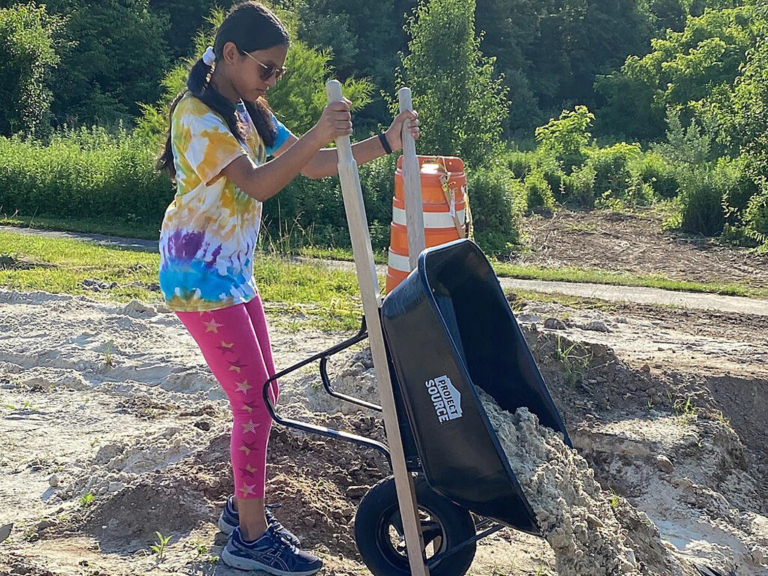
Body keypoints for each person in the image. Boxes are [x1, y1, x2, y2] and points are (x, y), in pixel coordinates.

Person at [155, 2, 420, 574]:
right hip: (197, 277)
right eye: (266, 68)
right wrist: (320, 129)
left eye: (279, 71)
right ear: (231, 54)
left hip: (232, 274)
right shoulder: (197, 116)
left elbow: (313, 163)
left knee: (265, 398)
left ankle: (240, 515)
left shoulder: (247, 109)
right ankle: (250, 542)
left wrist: (385, 141)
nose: (272, 79)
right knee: (252, 403)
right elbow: (257, 184)